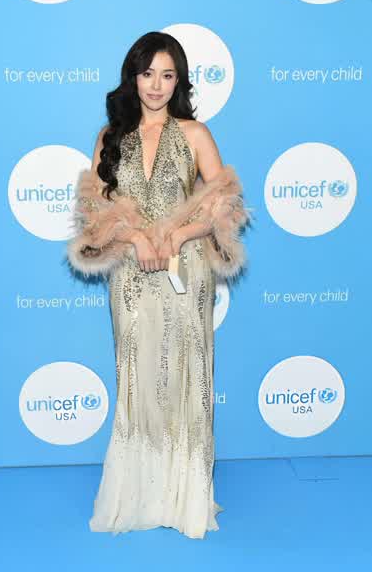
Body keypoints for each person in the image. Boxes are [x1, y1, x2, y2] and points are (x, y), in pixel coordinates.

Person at [67, 31, 250, 539]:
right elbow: (93, 211)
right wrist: (134, 237)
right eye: (147, 73)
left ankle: (185, 500)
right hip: (129, 274)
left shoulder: (195, 134)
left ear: (179, 82)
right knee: (137, 378)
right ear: (133, 77)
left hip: (185, 273)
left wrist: (178, 234)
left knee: (185, 378)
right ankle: (139, 494)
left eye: (167, 75)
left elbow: (226, 204)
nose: (156, 85)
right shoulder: (110, 136)